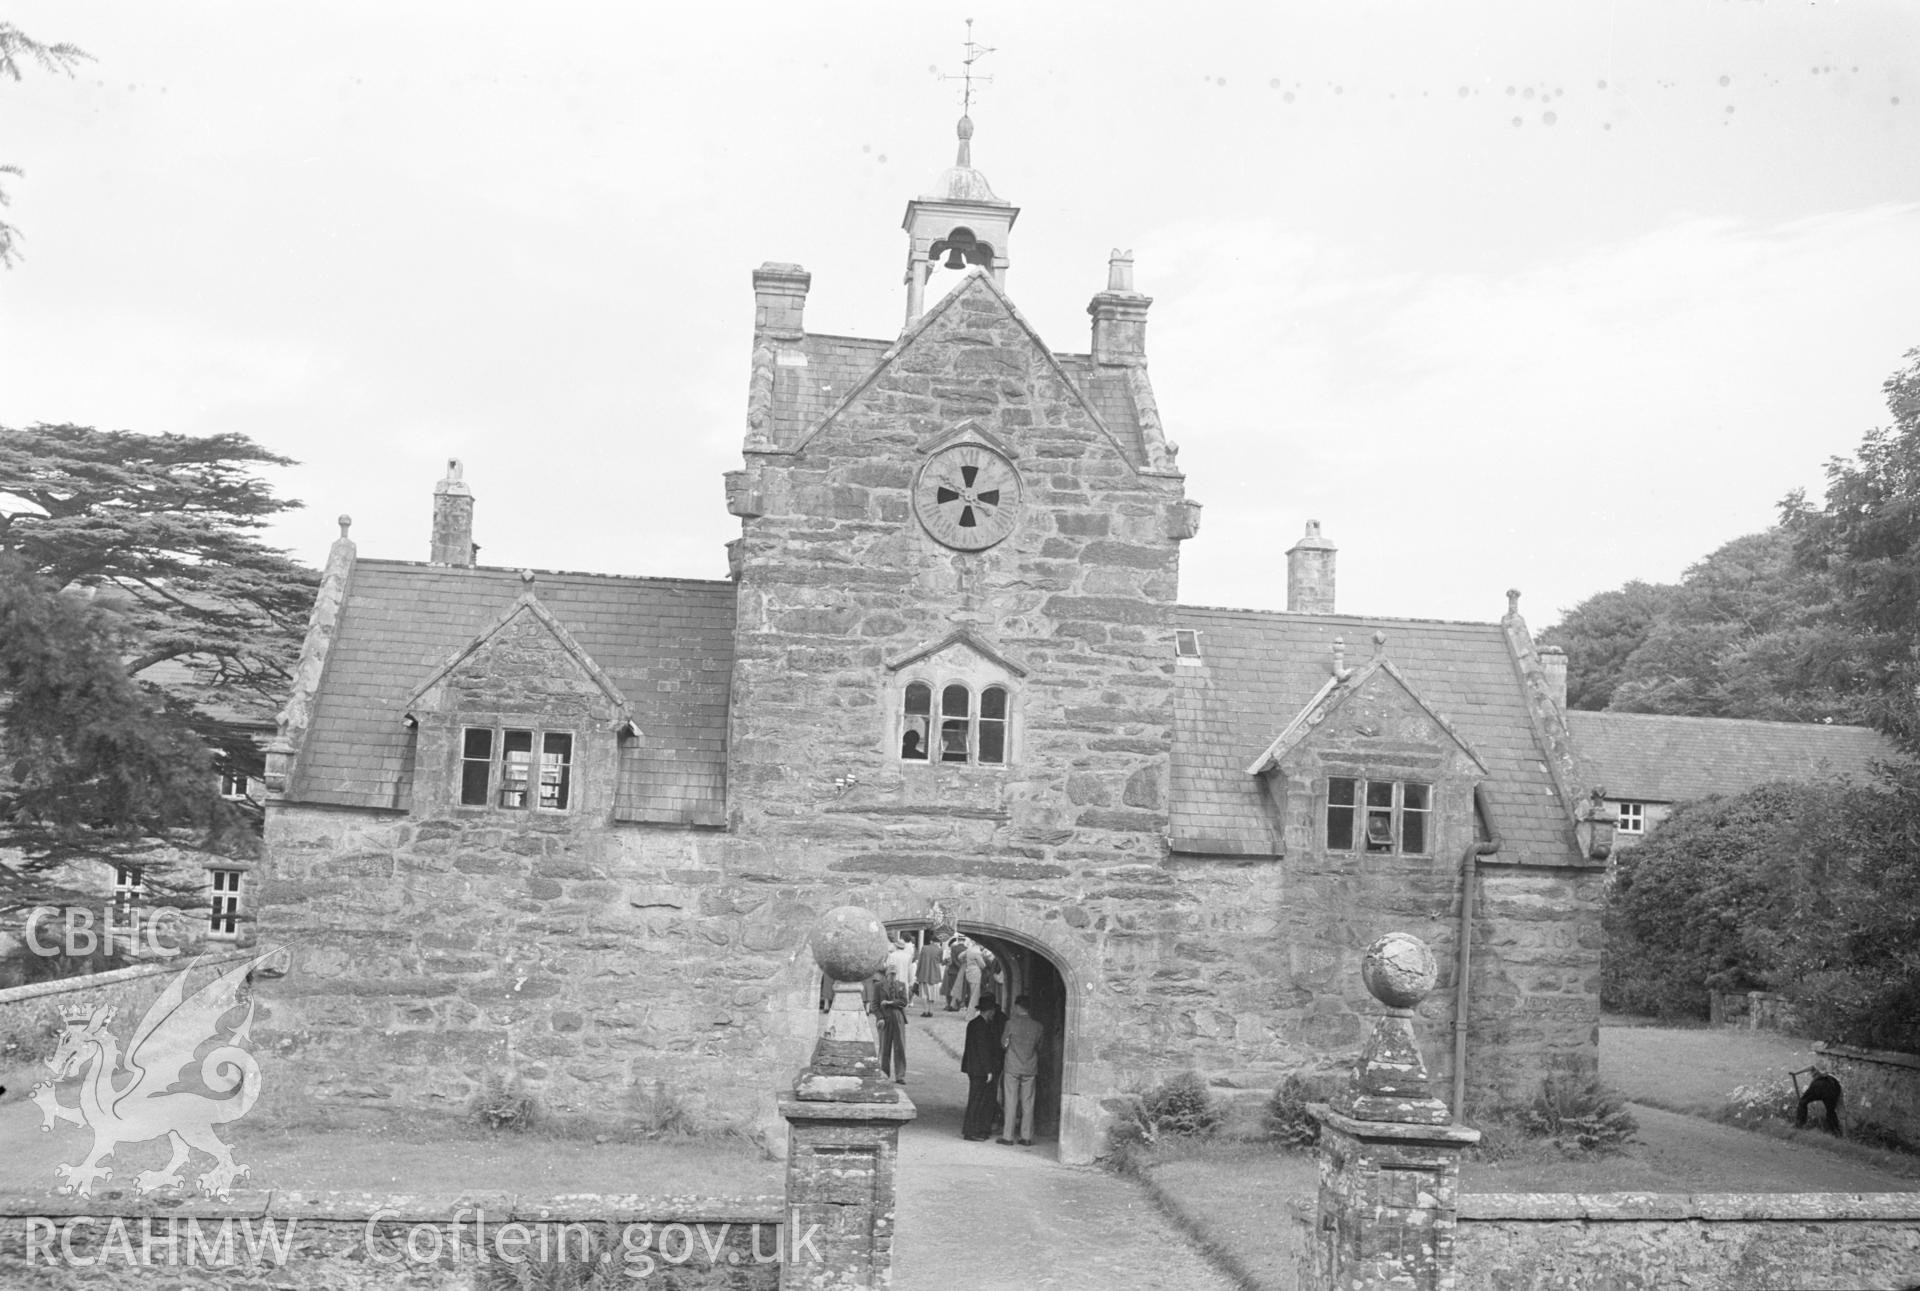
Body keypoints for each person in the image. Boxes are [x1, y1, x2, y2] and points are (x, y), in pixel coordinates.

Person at [998, 994, 1044, 1146]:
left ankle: (1008, 1136)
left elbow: (1003, 1044)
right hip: (1030, 1067)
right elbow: (1040, 1046)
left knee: (1011, 1101)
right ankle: (1026, 1137)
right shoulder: (1038, 1026)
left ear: (1017, 1007)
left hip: (1012, 1066)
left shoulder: (1011, 1023)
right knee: (1028, 1102)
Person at [960, 997, 1004, 1140]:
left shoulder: (974, 1024)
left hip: (974, 1068)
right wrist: (988, 1070)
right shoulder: (982, 1026)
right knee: (977, 1100)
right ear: (989, 1011)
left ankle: (976, 1129)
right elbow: (983, 1050)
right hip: (980, 1070)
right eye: (992, 1011)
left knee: (977, 1099)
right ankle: (971, 1131)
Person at [867, 972, 909, 1085]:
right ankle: (884, 1073)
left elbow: (904, 1002)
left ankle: (900, 1076)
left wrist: (890, 1002)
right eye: (891, 974)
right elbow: (874, 1005)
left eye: (894, 974)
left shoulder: (901, 985)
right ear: (886, 975)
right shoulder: (878, 986)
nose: (892, 977)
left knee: (900, 1047)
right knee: (885, 1046)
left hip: (898, 1018)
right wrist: (880, 1018)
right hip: (884, 1019)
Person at [915, 934, 943, 1017]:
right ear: (938, 942)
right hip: (934, 974)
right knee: (932, 994)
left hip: (924, 973)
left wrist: (917, 973)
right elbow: (940, 961)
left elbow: (920, 961)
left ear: (931, 941)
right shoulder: (939, 950)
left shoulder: (924, 948)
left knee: (924, 994)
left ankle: (925, 1011)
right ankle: (931, 1011)